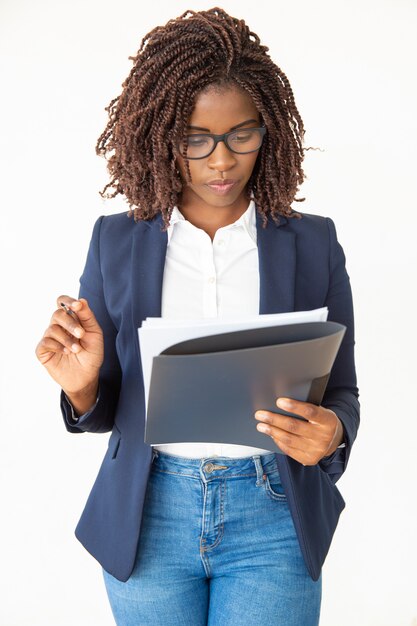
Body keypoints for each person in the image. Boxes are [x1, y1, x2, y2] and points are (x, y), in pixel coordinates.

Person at [35, 7, 359, 625]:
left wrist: (333, 434)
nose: (221, 161)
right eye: (195, 139)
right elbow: (104, 408)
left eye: (242, 134)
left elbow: (342, 391)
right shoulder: (115, 242)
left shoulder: (312, 244)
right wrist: (81, 384)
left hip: (273, 511)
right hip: (148, 515)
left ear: (269, 130)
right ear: (162, 135)